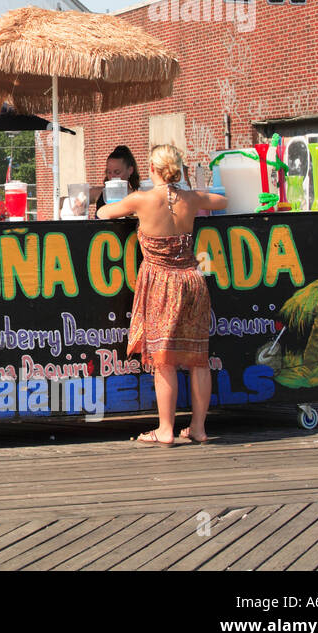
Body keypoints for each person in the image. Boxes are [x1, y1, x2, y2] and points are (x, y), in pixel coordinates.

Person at [98, 144, 227, 446]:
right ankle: (198, 427)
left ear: (152, 170)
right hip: (193, 281)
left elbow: (104, 211)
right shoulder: (191, 199)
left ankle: (166, 429)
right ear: (177, 169)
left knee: (164, 359)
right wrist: (194, 192)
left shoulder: (141, 200)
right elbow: (223, 200)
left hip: (161, 283)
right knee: (198, 358)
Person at [91, 145, 142, 215]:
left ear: (130, 170)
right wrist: (80, 203)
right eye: (109, 172)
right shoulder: (99, 193)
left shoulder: (137, 197)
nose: (112, 176)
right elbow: (81, 196)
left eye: (117, 172)